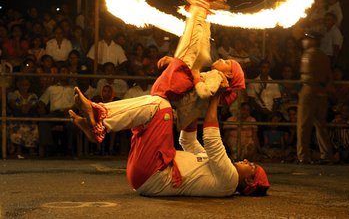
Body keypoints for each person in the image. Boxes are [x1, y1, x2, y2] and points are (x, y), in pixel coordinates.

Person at [70, 86, 269, 197]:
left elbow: (211, 138)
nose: (245, 161)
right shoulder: (218, 171)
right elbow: (188, 141)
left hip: (154, 173)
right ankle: (97, 121)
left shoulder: (230, 179)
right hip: (146, 174)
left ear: (249, 181)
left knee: (160, 106)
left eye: (250, 166)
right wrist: (197, 102)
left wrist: (215, 98)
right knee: (155, 107)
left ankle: (99, 121)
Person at [297, 31, 334, 164]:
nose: (303, 42)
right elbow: (329, 76)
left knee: (304, 125)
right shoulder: (324, 56)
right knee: (321, 124)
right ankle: (326, 154)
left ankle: (303, 156)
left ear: (312, 40)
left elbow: (306, 75)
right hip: (322, 91)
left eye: (306, 39)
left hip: (309, 89)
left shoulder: (308, 54)